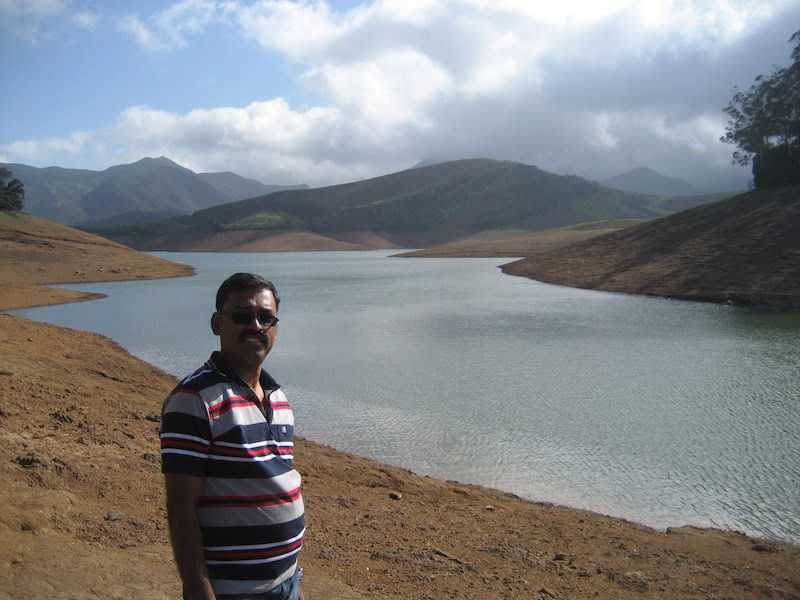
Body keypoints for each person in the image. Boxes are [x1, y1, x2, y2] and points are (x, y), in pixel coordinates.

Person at [160, 273, 305, 600]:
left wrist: (292, 577)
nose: (256, 325)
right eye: (242, 316)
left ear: (275, 327)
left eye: (266, 318)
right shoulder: (194, 399)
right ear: (217, 323)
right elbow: (181, 507)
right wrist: (198, 588)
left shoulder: (278, 398)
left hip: (286, 583)